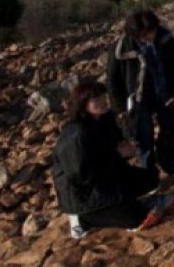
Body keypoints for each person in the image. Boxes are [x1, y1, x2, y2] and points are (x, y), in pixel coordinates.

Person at [52, 79, 163, 238]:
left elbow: (113, 148)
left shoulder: (105, 119)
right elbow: (83, 176)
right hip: (83, 193)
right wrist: (118, 155)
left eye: (104, 97)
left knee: (151, 179)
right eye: (96, 100)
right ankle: (82, 219)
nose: (104, 102)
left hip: (106, 176)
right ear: (83, 104)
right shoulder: (76, 135)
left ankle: (119, 204)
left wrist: (127, 149)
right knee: (137, 218)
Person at [107, 10, 174, 179]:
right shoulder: (120, 48)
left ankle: (173, 167)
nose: (149, 37)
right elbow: (113, 82)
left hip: (164, 94)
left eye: (151, 32)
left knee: (169, 131)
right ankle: (149, 175)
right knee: (143, 138)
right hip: (138, 99)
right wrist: (122, 108)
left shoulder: (166, 40)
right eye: (144, 35)